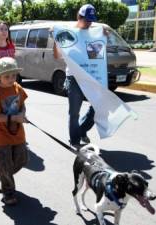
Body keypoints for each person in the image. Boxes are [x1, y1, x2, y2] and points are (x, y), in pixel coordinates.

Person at [0, 57, 28, 205]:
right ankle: (8, 191)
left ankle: (5, 175)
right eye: (7, 76)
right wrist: (15, 118)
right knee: (4, 164)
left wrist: (22, 114)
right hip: (0, 136)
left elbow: (22, 105)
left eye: (13, 75)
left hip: (17, 133)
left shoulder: (17, 87)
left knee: (22, 159)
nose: (11, 79)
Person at [62, 4, 99, 149]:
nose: (89, 23)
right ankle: (75, 141)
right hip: (73, 77)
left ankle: (81, 130)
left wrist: (102, 39)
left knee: (97, 107)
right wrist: (56, 38)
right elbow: (58, 55)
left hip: (89, 76)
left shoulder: (93, 34)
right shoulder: (69, 33)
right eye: (87, 20)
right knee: (74, 113)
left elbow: (95, 56)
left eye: (91, 20)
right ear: (79, 17)